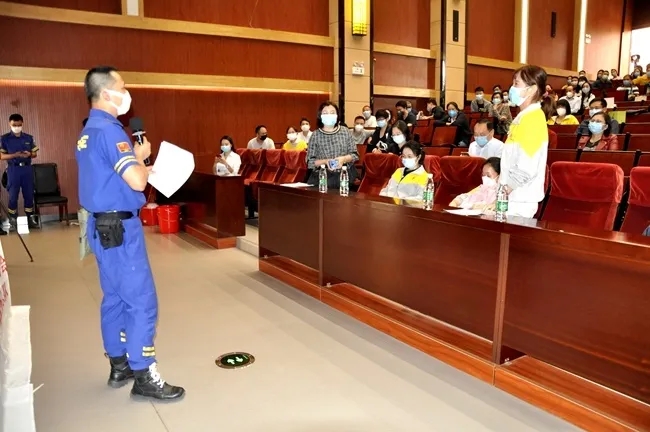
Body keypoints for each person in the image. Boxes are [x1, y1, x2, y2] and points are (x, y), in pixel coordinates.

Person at [76, 66, 184, 400]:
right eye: (122, 87)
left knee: (114, 299)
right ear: (106, 93)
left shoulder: (88, 132)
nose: (126, 93)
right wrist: (139, 159)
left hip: (100, 226)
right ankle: (144, 375)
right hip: (120, 229)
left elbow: (108, 177)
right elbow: (136, 181)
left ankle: (119, 364)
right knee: (140, 301)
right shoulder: (112, 132)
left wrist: (137, 165)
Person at [500, 65, 549, 218]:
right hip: (512, 196)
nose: (512, 88)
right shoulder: (523, 117)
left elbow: (528, 163)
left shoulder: (533, 118)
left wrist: (508, 187)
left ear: (532, 89)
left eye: (516, 83)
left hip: (520, 198)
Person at [306, 100, 359, 188]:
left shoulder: (345, 131)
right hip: (323, 177)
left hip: (345, 176)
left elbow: (355, 155)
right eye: (325, 113)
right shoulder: (315, 135)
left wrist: (343, 159)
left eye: (332, 112)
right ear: (320, 116)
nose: (329, 115)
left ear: (337, 115)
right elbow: (310, 162)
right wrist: (326, 161)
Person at [1, 113, 39, 228]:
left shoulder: (28, 137)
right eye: (14, 125)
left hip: (27, 169)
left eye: (19, 125)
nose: (17, 127)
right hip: (14, 170)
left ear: (22, 124)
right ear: (10, 124)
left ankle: (30, 219)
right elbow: (2, 156)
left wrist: (29, 154)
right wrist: (15, 155)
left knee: (29, 195)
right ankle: (13, 220)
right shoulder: (4, 138)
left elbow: (35, 154)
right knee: (13, 196)